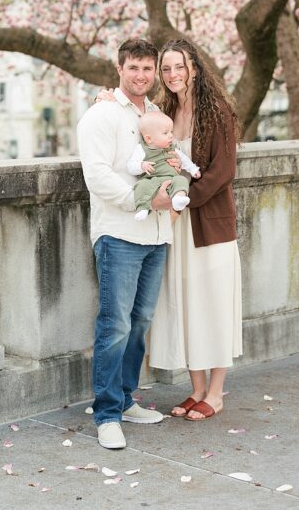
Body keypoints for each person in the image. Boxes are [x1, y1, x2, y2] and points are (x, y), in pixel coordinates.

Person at [77, 38, 179, 450]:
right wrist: (144, 199)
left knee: (140, 323)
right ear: (120, 69)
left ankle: (125, 399)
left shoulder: (155, 115)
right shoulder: (100, 115)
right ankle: (105, 415)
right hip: (119, 234)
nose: (142, 75)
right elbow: (97, 176)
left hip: (157, 234)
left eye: (148, 69)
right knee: (114, 324)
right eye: (134, 67)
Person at [149, 38, 242, 422]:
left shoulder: (217, 111)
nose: (173, 75)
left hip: (208, 225)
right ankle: (197, 389)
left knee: (214, 303)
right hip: (177, 226)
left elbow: (223, 171)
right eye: (166, 68)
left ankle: (216, 393)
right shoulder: (165, 111)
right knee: (186, 303)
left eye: (179, 67)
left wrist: (183, 201)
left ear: (195, 69)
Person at [127, 113, 198, 221]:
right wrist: (141, 165)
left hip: (171, 179)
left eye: (171, 132)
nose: (171, 136)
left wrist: (193, 169)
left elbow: (184, 160)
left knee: (181, 180)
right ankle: (143, 208)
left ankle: (178, 198)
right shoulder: (142, 149)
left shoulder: (171, 148)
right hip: (151, 180)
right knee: (141, 186)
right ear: (149, 139)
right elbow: (131, 166)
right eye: (165, 133)